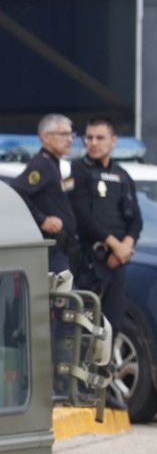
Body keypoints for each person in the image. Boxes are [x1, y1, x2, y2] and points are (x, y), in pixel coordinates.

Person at [70, 116, 142, 355]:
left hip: (118, 263)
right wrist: (114, 245)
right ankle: (82, 389)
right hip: (90, 262)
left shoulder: (122, 175)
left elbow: (136, 220)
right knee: (86, 327)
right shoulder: (78, 170)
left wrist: (125, 247)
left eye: (99, 138)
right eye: (89, 137)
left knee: (113, 326)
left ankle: (104, 388)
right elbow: (82, 216)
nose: (93, 143)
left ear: (113, 141)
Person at [13, 114, 78, 274]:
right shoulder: (41, 165)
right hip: (51, 250)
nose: (69, 139)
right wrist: (42, 220)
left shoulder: (55, 164)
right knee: (62, 298)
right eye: (64, 134)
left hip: (64, 248)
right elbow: (17, 192)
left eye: (71, 134)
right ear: (46, 137)